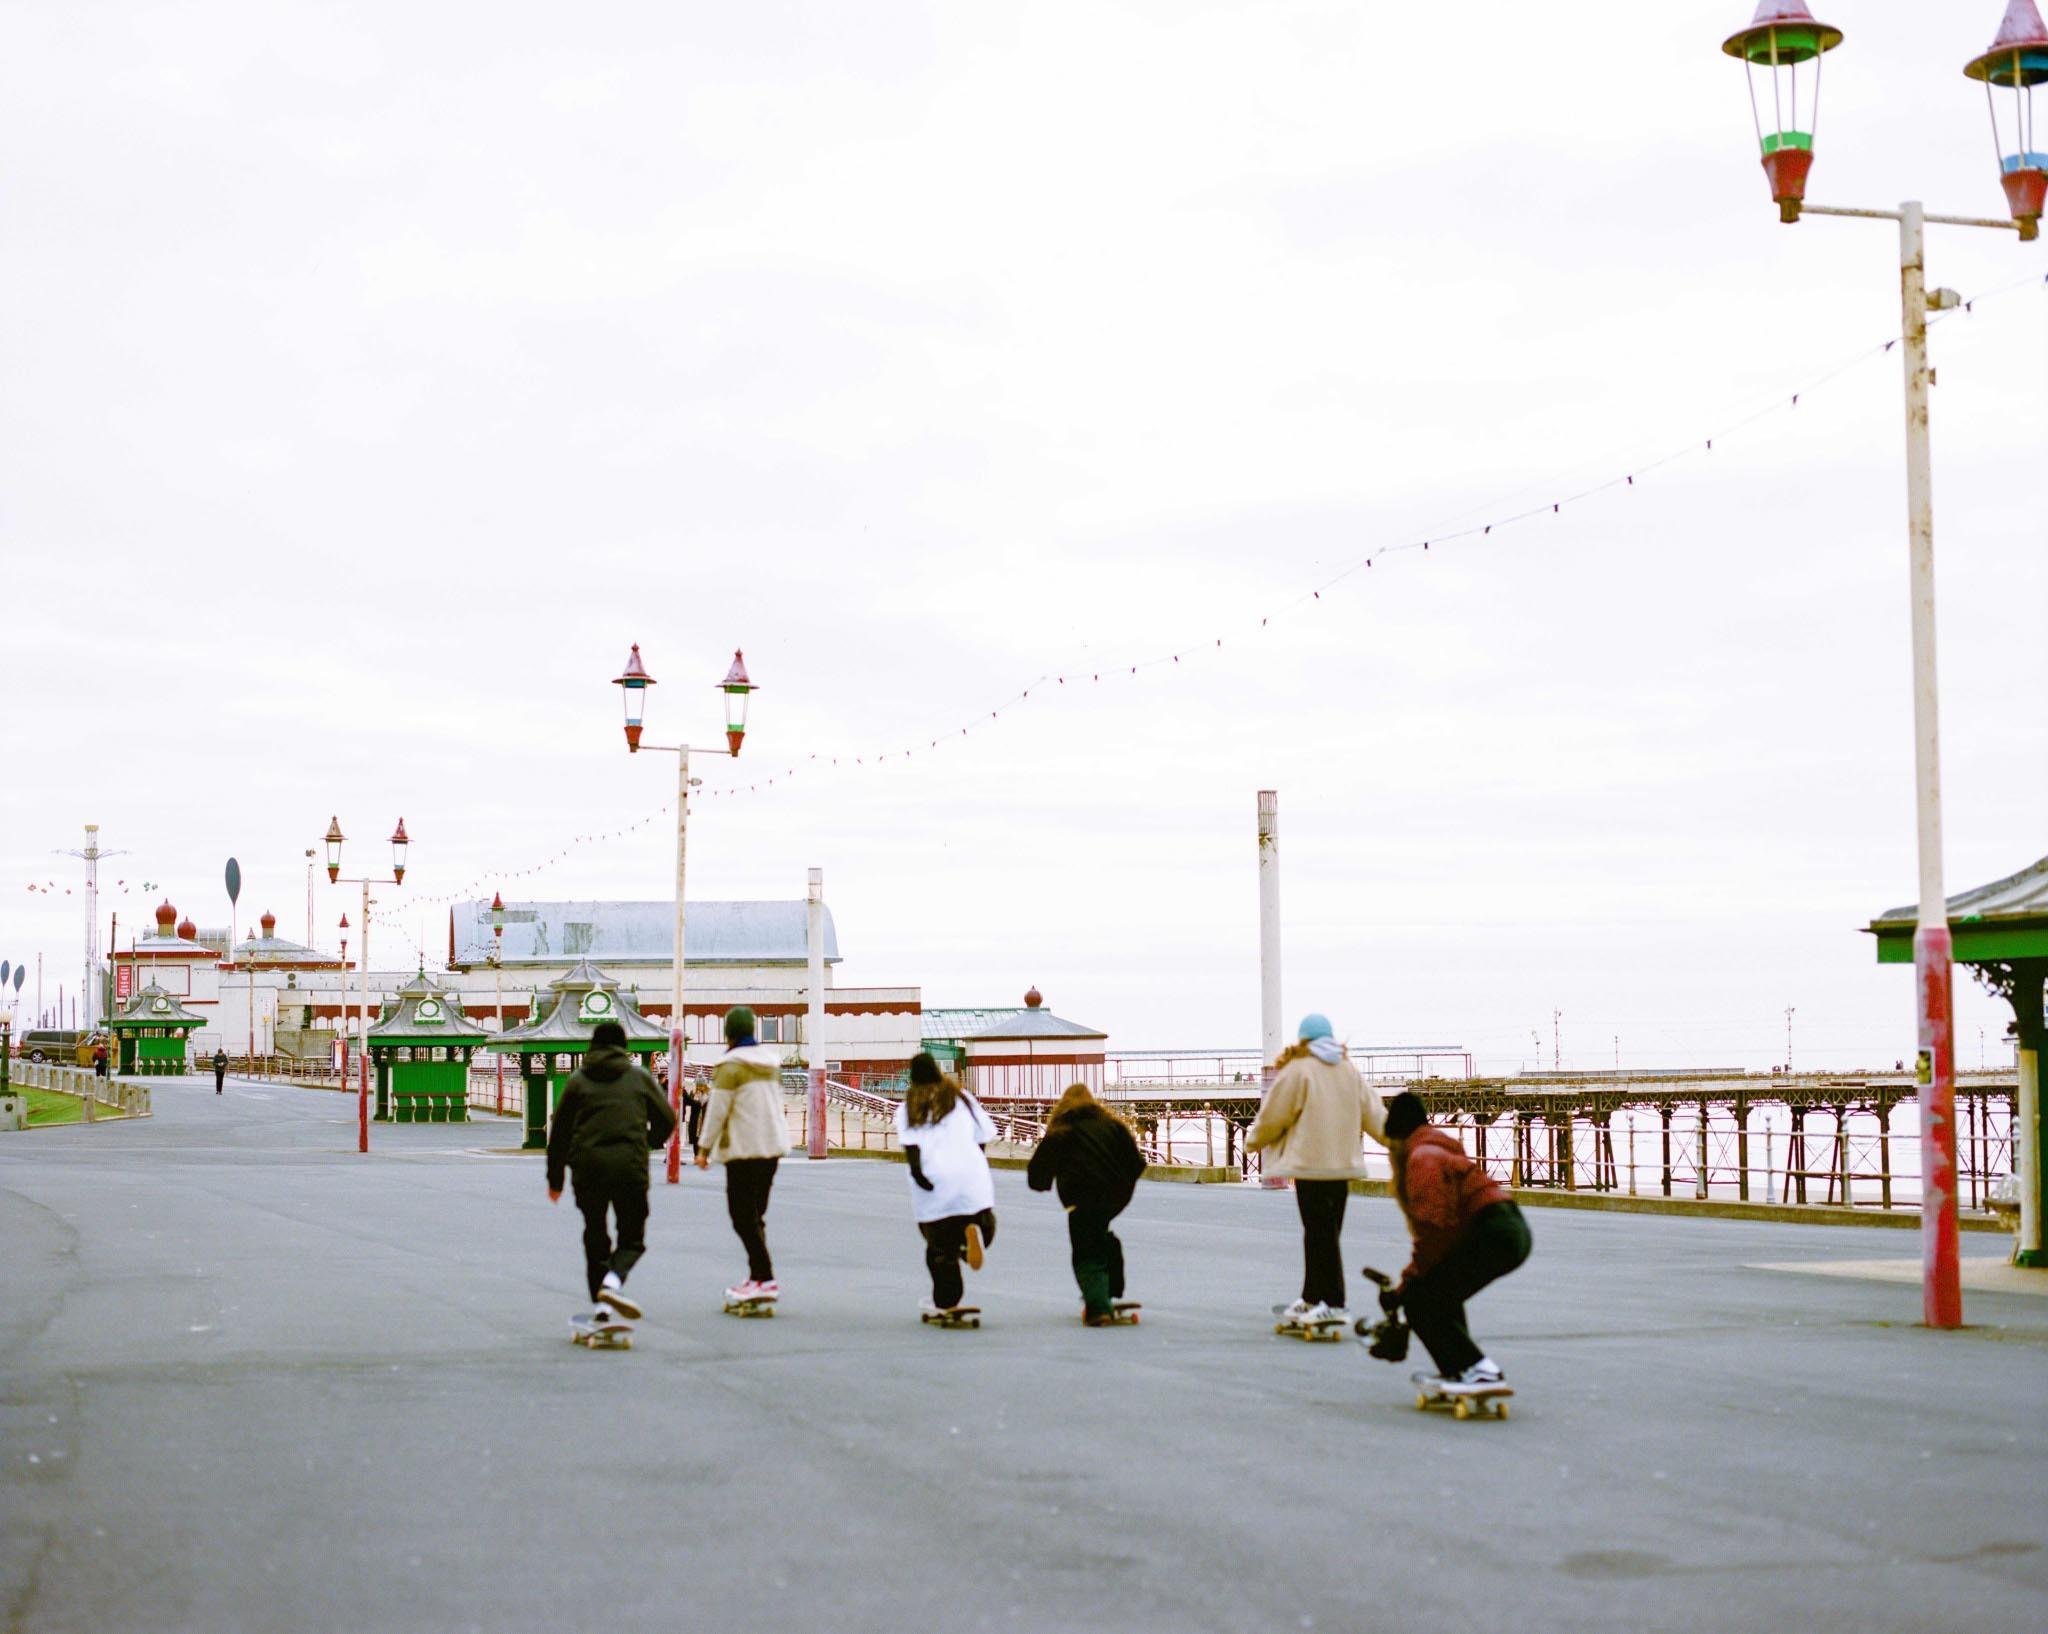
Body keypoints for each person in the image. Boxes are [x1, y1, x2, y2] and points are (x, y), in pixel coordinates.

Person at [1381, 1091, 1531, 1391]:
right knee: (1440, 1294)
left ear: (1397, 1137)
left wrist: (1407, 1285)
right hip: (1510, 1226)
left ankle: (1477, 1370)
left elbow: (1434, 1230)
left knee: (1422, 1301)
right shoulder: (1438, 1147)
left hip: (1492, 1231)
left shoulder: (1421, 1158)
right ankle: (1459, 1370)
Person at [1244, 1013, 1387, 1325]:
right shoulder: (1349, 1070)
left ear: (1303, 1039)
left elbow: (1274, 1115)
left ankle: (1334, 1302)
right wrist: (1399, 1141)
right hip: (1343, 1169)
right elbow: (1374, 1113)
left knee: (1317, 1234)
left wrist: (1253, 1141)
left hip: (1310, 1168)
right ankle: (1312, 1297)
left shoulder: (1299, 1070)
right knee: (1326, 1233)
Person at [546, 1020, 676, 1326]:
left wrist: (555, 1180)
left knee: (595, 1234)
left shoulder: (578, 1080)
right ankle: (613, 1283)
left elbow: (560, 1133)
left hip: (587, 1167)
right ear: (624, 1047)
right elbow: (668, 1119)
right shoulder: (639, 1078)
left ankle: (600, 1306)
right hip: (629, 1167)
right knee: (632, 1238)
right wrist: (647, 1143)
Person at [1026, 1082, 1148, 1325]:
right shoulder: (1113, 1125)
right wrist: (1120, 1188)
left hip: (1080, 1197)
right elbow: (1137, 1163)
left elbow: (1038, 1172)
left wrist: (1044, 1183)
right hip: (1114, 1198)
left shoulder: (1063, 1128)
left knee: (1086, 1252)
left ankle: (1098, 1308)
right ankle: (1109, 1290)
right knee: (1102, 1236)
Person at [694, 1006, 791, 1304]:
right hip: (772, 1148)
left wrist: (704, 1149)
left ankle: (766, 1278)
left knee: (741, 1217)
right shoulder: (772, 1064)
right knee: (755, 1216)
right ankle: (757, 1278)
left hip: (743, 1150)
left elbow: (717, 1110)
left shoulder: (729, 1066)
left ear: (729, 1033)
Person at [894, 1052, 997, 1318]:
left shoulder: (909, 1106)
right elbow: (984, 1135)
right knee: (979, 1219)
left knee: (939, 1247)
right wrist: (972, 1166)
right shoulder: (962, 1099)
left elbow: (912, 1149)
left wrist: (919, 1176)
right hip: (972, 1176)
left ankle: (946, 1302)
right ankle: (974, 1236)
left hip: (935, 1180)